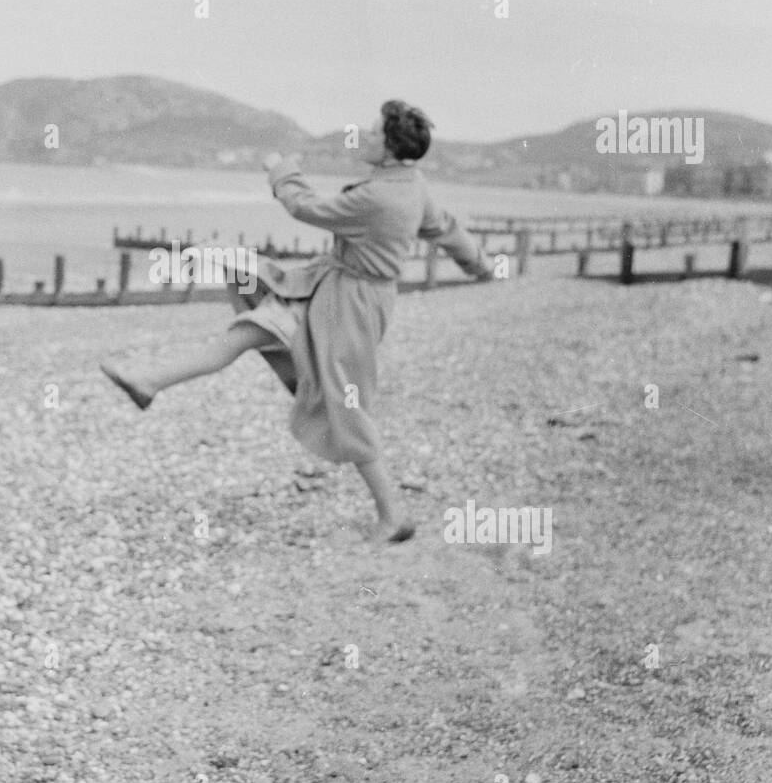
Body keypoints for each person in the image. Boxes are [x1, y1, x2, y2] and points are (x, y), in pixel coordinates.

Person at [101, 101, 493, 542]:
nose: (363, 137)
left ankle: (393, 515)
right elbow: (447, 228)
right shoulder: (411, 185)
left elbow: (306, 208)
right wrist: (481, 265)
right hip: (330, 290)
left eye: (373, 133)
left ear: (390, 148)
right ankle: (149, 382)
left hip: (350, 306)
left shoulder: (378, 197)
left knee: (344, 403)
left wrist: (281, 171)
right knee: (247, 333)